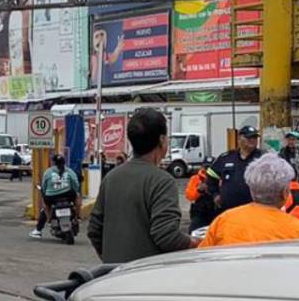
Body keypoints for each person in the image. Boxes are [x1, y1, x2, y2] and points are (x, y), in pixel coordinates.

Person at [87, 107, 196, 263]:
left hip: (112, 277)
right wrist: (197, 244)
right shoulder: (162, 181)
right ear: (162, 140)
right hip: (147, 278)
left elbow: (94, 229)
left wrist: (111, 259)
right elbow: (166, 235)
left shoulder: (112, 177)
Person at [200, 155, 299, 248]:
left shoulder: (223, 221)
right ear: (285, 193)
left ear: (251, 188)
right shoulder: (297, 230)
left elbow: (202, 259)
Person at [203, 125, 261, 218]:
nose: (252, 140)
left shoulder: (264, 158)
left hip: (255, 212)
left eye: (254, 137)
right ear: (239, 139)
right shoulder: (226, 157)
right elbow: (211, 177)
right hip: (229, 211)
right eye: (248, 137)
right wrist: (215, 195)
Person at [29, 153, 81, 238]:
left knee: (45, 206)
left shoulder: (48, 171)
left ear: (53, 162)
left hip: (51, 196)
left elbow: (44, 185)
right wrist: (75, 192)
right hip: (68, 194)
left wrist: (45, 192)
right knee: (78, 200)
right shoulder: (69, 171)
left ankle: (49, 219)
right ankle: (78, 216)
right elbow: (75, 183)